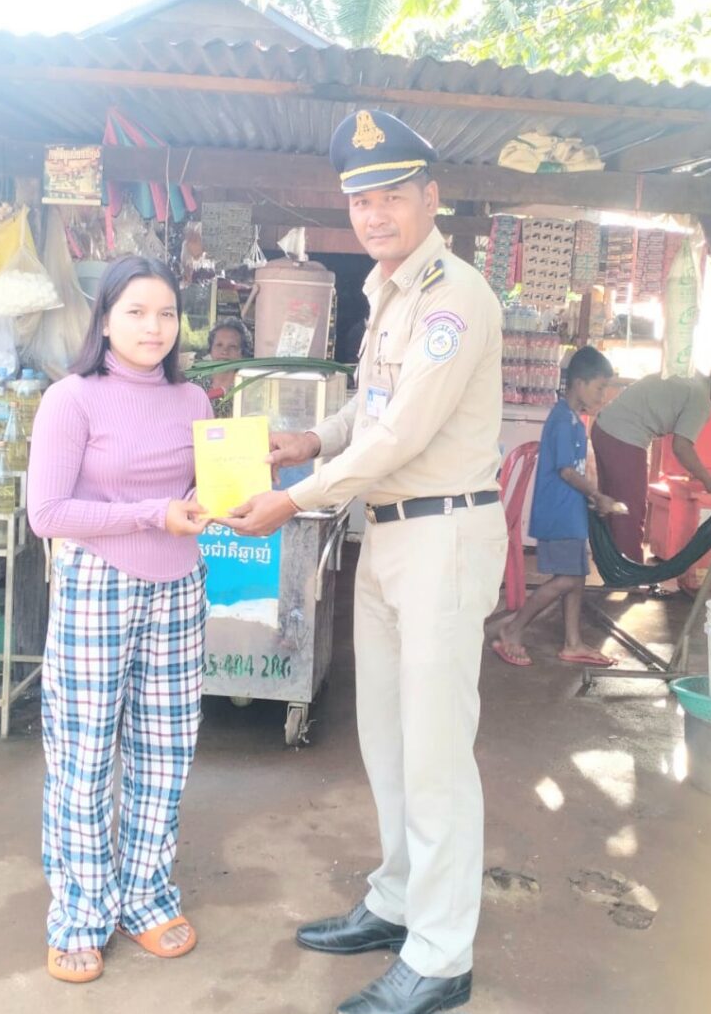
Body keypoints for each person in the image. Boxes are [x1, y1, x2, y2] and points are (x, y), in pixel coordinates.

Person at [227, 110, 508, 1014]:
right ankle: (398, 899)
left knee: (436, 753)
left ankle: (441, 954)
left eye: (392, 195)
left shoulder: (454, 297)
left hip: (442, 537)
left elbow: (403, 433)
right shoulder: (388, 288)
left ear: (431, 197)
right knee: (387, 739)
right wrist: (310, 439)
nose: (375, 214)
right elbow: (370, 407)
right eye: (361, 200)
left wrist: (295, 497)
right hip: (388, 534)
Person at [27, 255, 213, 984]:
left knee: (165, 750)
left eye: (166, 313)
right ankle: (79, 912)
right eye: (136, 312)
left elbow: (200, 491)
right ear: (104, 320)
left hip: (180, 587)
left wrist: (233, 493)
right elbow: (48, 513)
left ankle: (145, 895)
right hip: (98, 585)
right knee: (84, 756)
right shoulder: (71, 399)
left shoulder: (193, 399)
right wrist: (152, 514)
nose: (153, 327)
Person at [491, 346, 618, 667]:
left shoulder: (574, 420)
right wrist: (597, 495)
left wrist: (590, 497)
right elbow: (566, 471)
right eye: (600, 387)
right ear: (579, 383)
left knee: (576, 576)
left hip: (570, 513)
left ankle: (573, 643)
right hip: (558, 514)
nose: (603, 395)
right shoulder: (563, 420)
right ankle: (513, 629)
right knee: (568, 579)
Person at [591, 354, 711, 563]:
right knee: (629, 512)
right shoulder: (701, 399)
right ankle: (627, 574)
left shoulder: (694, 377)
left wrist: (701, 474)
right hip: (624, 437)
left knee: (611, 506)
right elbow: (681, 447)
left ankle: (610, 566)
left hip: (604, 428)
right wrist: (710, 481)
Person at [194, 318, 253, 416]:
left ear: (242, 353)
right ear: (211, 350)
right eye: (219, 345)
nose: (224, 351)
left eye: (232, 346)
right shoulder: (195, 386)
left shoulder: (248, 390)